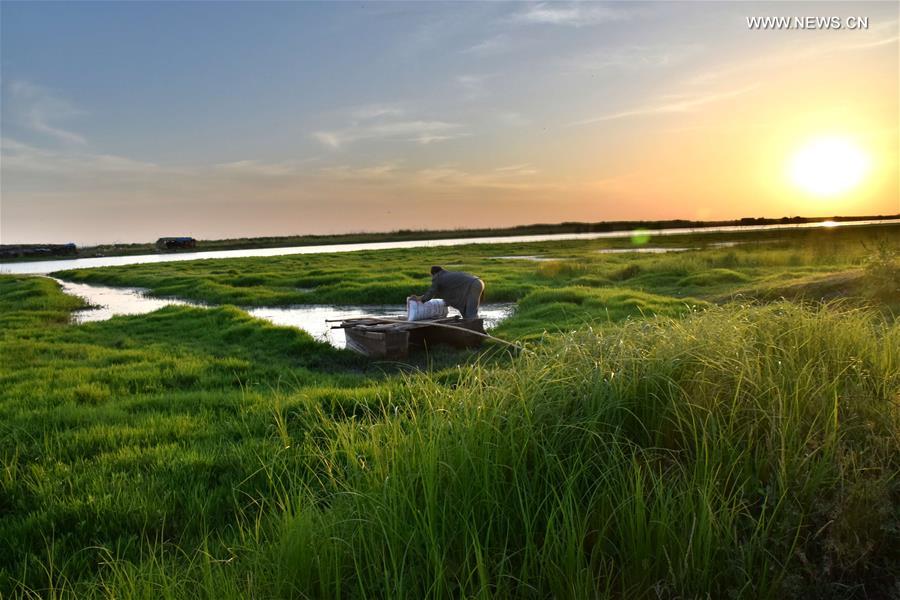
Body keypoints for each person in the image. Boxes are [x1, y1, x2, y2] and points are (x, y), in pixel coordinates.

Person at [410, 266, 485, 319]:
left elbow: (431, 292)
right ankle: (475, 327)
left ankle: (475, 333)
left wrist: (421, 299)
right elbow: (455, 295)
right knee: (468, 310)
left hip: (473, 285)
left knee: (470, 313)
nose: (432, 278)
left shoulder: (438, 277)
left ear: (434, 273)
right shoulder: (447, 275)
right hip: (478, 282)